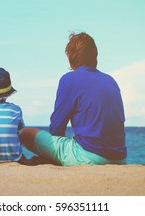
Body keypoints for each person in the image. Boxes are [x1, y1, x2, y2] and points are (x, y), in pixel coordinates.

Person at [20, 32, 127, 166]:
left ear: (71, 57)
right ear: (95, 56)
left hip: (89, 157)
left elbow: (56, 128)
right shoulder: (111, 81)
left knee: (25, 133)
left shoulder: (69, 80)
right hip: (120, 157)